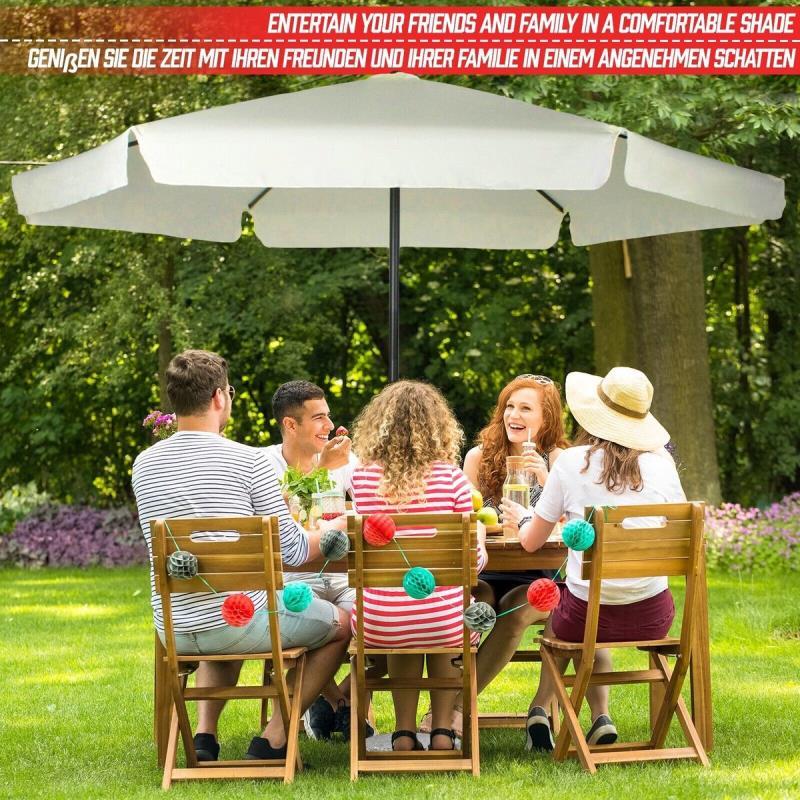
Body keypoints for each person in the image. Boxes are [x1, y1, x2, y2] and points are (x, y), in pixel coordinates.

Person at [132, 350, 350, 762]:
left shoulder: (144, 465)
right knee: (341, 624)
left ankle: (204, 737)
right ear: (219, 397)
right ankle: (274, 738)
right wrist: (336, 527)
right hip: (240, 620)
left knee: (225, 605)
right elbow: (295, 551)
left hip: (175, 627)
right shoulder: (249, 461)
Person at [504, 366, 685, 751]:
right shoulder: (662, 465)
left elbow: (532, 543)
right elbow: (680, 534)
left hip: (584, 617)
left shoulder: (572, 463)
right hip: (654, 617)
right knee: (588, 606)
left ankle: (541, 707)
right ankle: (598, 716)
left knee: (571, 613)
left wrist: (521, 518)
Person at [349, 381, 488, 752]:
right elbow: (472, 563)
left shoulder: (361, 478)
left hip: (379, 622)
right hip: (446, 623)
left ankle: (404, 733)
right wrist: (481, 539)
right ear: (438, 427)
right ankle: (442, 732)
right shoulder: (453, 479)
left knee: (402, 615)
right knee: (443, 615)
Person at [429, 374, 568, 735]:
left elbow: (571, 527)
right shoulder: (479, 457)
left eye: (525, 408)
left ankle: (458, 708)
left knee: (514, 616)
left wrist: (547, 480)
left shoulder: (560, 461)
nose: (513, 415)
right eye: (509, 406)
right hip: (486, 571)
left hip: (540, 576)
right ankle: (441, 707)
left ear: (547, 418)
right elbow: (465, 519)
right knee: (472, 610)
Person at [263, 380, 364, 740]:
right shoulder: (264, 464)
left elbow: (373, 505)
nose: (329, 425)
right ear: (290, 424)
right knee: (326, 623)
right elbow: (280, 527)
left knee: (377, 623)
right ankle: (340, 705)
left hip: (344, 577)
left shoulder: (346, 461)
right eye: (319, 418)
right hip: (292, 579)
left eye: (328, 416)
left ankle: (332, 700)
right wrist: (321, 467)